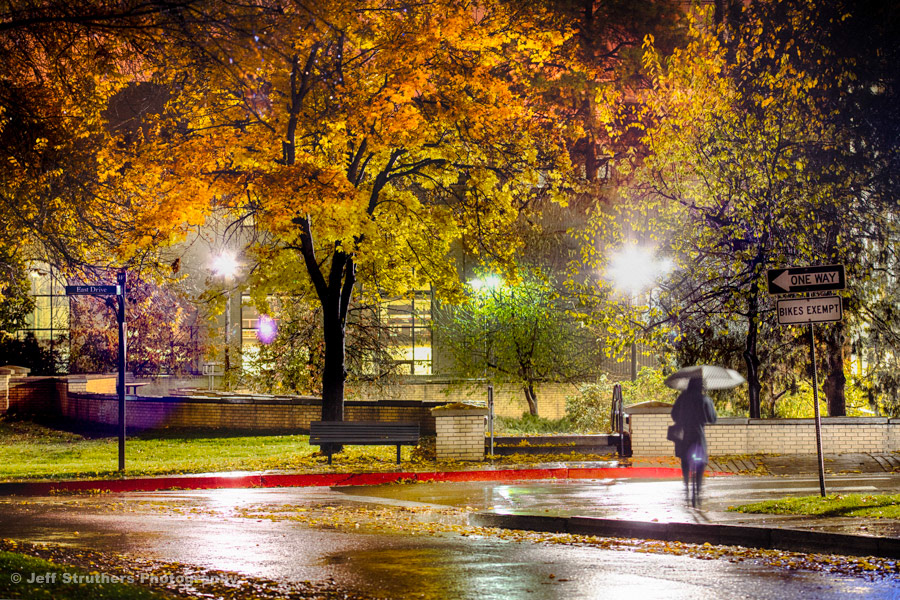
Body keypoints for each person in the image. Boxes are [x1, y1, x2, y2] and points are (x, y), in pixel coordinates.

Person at [670, 377, 717, 506]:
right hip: (698, 435)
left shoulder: (682, 398)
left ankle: (686, 485)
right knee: (701, 462)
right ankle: (698, 490)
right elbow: (712, 419)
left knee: (685, 460)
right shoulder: (704, 399)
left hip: (685, 434)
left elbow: (673, 414)